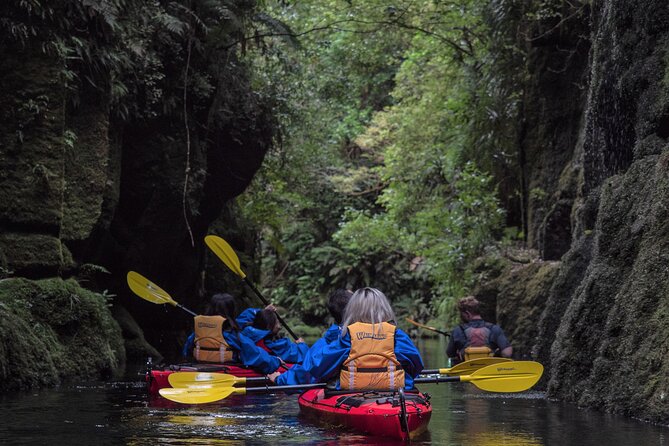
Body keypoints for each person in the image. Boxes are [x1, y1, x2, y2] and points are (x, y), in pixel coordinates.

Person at [270, 287, 423, 390]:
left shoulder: (347, 336)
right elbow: (416, 366)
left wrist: (280, 379)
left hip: (352, 392)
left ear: (353, 309)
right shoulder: (396, 334)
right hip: (396, 393)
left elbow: (316, 366)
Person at [181, 293, 284, 374]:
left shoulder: (196, 334)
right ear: (232, 311)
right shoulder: (234, 337)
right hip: (228, 371)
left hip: (200, 367)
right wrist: (276, 361)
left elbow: (186, 352)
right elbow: (257, 357)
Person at [272, 288, 353, 386]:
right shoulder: (352, 337)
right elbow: (309, 369)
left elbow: (308, 370)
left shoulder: (332, 341)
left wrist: (278, 379)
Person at [446, 296, 513, 364]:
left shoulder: (457, 330)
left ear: (467, 314)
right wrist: (497, 354)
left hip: (466, 371)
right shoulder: (494, 329)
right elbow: (507, 353)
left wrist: (459, 352)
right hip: (489, 369)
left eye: (461, 314)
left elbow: (450, 354)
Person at [240, 306, 309, 364]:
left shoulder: (247, 333)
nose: (280, 326)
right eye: (277, 322)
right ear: (269, 326)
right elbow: (303, 356)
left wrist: (264, 312)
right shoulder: (275, 346)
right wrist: (302, 345)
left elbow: (244, 318)